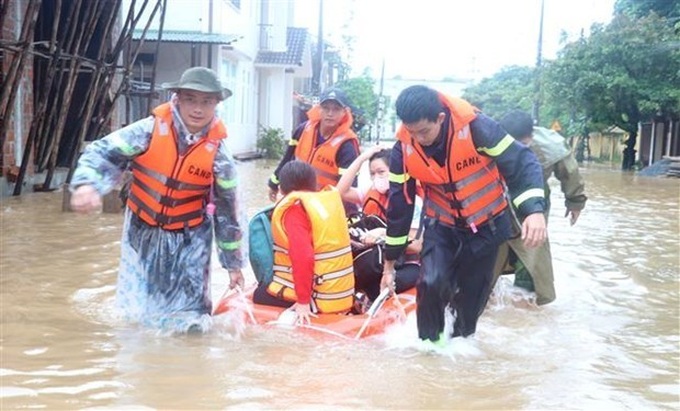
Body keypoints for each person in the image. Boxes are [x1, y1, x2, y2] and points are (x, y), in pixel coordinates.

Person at [70, 67, 245, 333]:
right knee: (138, 315)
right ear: (177, 99)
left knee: (192, 320)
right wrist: (87, 184)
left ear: (216, 104)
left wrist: (233, 265)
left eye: (206, 101)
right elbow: (102, 152)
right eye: (191, 99)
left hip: (191, 237)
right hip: (141, 230)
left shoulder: (220, 155)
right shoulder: (149, 130)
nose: (198, 109)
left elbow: (228, 213)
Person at [380, 85, 547, 343]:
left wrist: (533, 211)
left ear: (441, 118)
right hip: (441, 226)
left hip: (487, 227)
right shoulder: (403, 148)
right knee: (431, 284)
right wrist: (390, 262)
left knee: (470, 300)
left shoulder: (478, 129)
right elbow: (399, 205)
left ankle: (460, 348)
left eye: (424, 131)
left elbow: (523, 163)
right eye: (412, 132)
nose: (420, 139)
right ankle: (429, 350)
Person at [495, 109, 588, 305]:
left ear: (531, 136)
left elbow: (570, 173)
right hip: (497, 203)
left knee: (531, 260)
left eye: (524, 144)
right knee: (489, 262)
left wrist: (575, 202)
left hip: (535, 204)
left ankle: (524, 308)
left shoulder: (550, 146)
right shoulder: (489, 142)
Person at [253, 161, 355, 324]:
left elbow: (303, 257)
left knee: (259, 294)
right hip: (339, 293)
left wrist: (303, 302)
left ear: (282, 189)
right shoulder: (326, 204)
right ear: (314, 185)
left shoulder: (294, 210)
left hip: (319, 297)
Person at [336, 145, 421, 301]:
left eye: (381, 172)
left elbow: (417, 245)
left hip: (407, 263)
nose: (377, 177)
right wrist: (361, 158)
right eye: (372, 174)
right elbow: (340, 191)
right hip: (375, 260)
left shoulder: (413, 200)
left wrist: (383, 234)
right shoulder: (371, 191)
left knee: (376, 286)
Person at [267, 88, 360, 214]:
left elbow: (349, 186)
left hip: (324, 209)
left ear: (344, 112)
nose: (330, 113)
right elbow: (287, 160)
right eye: (326, 108)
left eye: (336, 109)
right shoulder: (302, 130)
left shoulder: (347, 145)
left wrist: (350, 216)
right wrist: (273, 184)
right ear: (318, 109)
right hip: (296, 200)